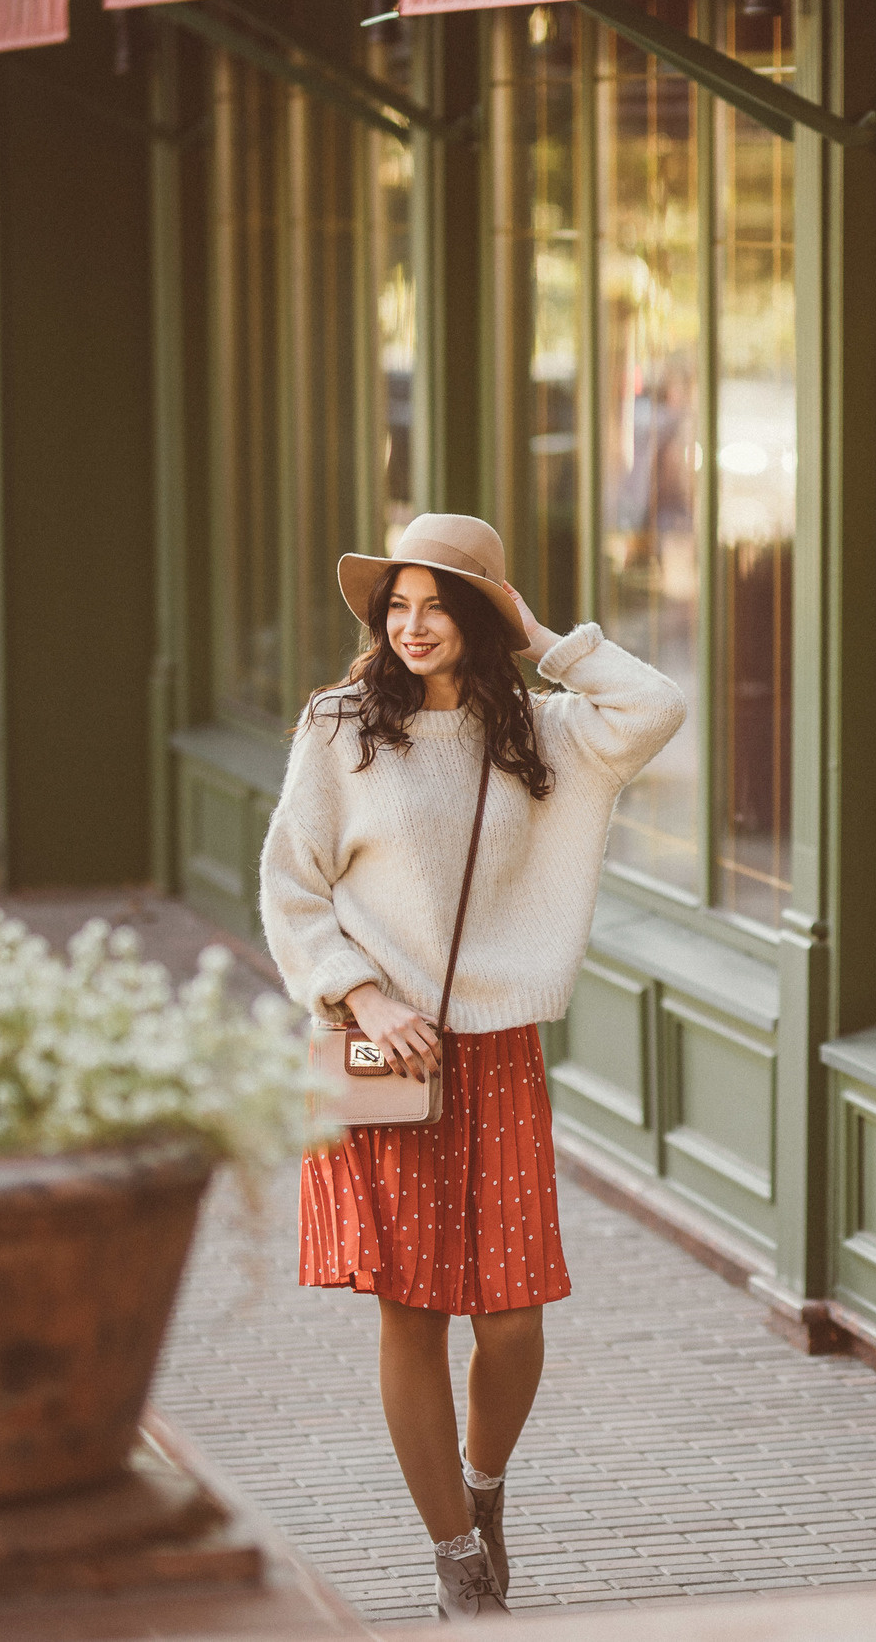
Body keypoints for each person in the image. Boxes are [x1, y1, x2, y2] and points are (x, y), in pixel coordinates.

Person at [259, 513, 685, 1619]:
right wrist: (361, 991)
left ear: (479, 618)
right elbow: (292, 887)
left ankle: (482, 1490)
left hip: (497, 1056)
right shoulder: (341, 729)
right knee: (413, 1313)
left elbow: (656, 707)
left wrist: (545, 636)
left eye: (436, 606)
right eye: (394, 608)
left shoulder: (541, 730)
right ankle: (458, 1566)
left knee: (512, 1319)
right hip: (377, 1045)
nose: (410, 627)